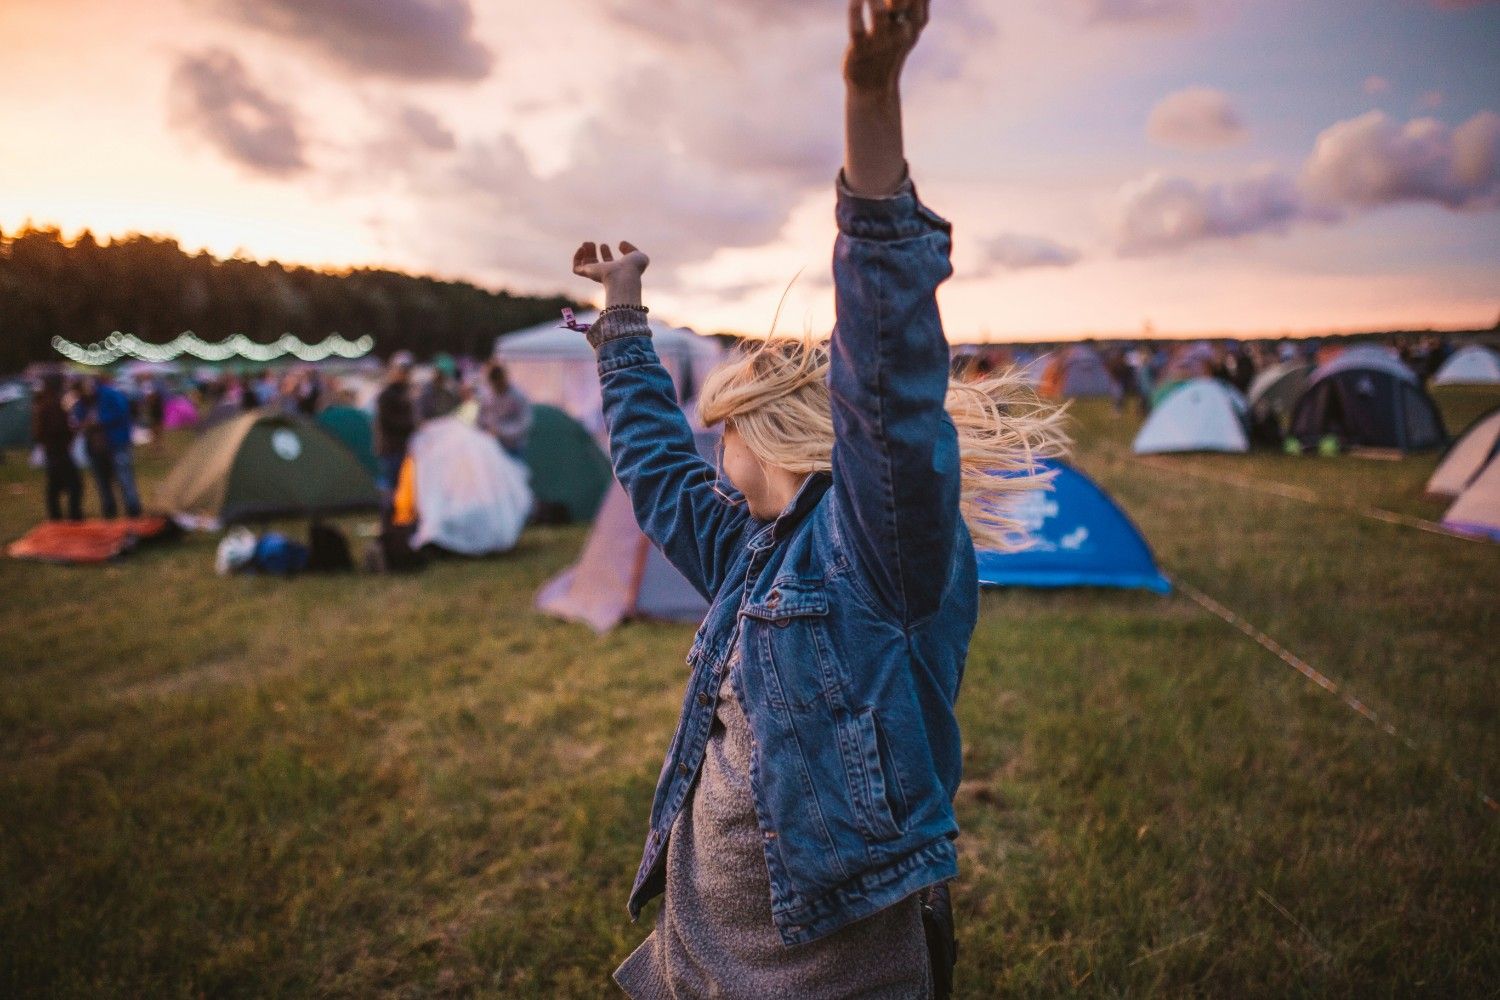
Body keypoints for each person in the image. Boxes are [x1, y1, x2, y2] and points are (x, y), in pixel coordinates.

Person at [571, 3, 1067, 996]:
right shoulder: (753, 550)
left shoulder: (877, 554)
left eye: (728, 425)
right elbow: (656, 472)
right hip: (698, 959)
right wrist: (623, 322)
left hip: (824, 979)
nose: (714, 447)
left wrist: (870, 104)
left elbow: (887, 372)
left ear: (785, 432)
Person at [74, 373, 142, 519]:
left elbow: (122, 411)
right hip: (95, 446)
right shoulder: (82, 402)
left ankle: (133, 510)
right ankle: (109, 511)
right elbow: (78, 417)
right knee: (102, 481)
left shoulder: (110, 394)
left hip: (116, 443)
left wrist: (100, 421)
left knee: (124, 479)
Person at [31, 373, 83, 521]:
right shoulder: (52, 405)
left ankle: (56, 517)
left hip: (53, 450)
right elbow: (56, 428)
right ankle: (73, 516)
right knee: (74, 485)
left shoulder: (45, 404)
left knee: (54, 486)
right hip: (58, 450)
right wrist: (70, 432)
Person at [374, 352, 417, 500]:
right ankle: (388, 519)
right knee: (391, 485)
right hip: (391, 448)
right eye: (402, 371)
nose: (405, 374)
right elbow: (389, 422)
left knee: (402, 485)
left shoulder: (406, 393)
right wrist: (413, 425)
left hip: (405, 447)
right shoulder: (387, 395)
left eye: (407, 371)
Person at [476, 362, 533, 457]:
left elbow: (525, 423)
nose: (498, 385)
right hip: (492, 446)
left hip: (512, 447)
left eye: (500, 381)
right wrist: (484, 432)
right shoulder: (487, 395)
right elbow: (480, 419)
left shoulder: (518, 396)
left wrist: (502, 431)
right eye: (495, 382)